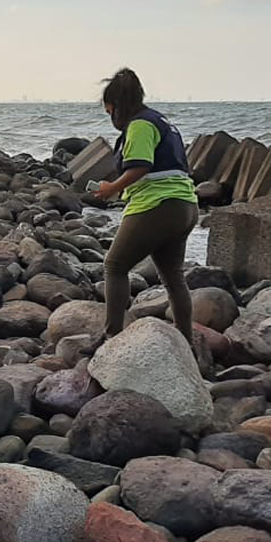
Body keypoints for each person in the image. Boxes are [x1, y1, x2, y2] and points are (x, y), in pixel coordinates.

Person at [90, 68, 198, 349]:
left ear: (117, 106)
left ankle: (111, 338)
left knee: (115, 266)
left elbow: (140, 166)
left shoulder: (139, 125)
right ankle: (185, 343)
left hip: (158, 205)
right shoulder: (162, 122)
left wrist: (111, 188)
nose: (111, 118)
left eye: (109, 111)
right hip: (185, 205)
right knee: (173, 277)